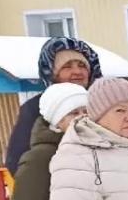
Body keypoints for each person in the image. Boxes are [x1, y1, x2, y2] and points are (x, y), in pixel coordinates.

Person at [6, 37, 100, 178]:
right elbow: (17, 160)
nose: (77, 72)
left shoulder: (102, 103)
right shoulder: (36, 108)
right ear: (51, 72)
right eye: (67, 66)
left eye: (82, 65)